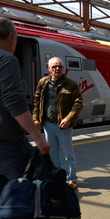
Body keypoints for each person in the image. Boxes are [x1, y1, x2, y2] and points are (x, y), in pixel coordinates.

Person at [0, 17, 51, 219]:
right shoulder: (6, 59)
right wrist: (38, 137)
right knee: (12, 197)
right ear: (11, 37)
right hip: (7, 143)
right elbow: (15, 103)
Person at [33, 57, 83, 189]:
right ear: (49, 68)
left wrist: (68, 119)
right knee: (53, 154)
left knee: (68, 155)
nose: (57, 69)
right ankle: (59, 177)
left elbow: (78, 104)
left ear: (63, 68)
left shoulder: (71, 84)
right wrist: (36, 119)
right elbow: (37, 102)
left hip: (63, 125)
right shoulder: (43, 83)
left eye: (59, 66)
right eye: (54, 67)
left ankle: (72, 179)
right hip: (48, 124)